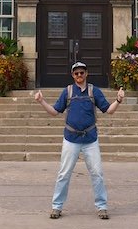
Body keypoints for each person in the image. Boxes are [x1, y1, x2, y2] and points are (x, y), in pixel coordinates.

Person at [34, 61, 125, 220]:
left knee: (97, 173)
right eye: (76, 73)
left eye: (82, 73)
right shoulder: (67, 91)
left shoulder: (94, 91)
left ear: (86, 74)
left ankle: (102, 206)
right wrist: (41, 101)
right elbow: (55, 112)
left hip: (90, 139)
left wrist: (118, 101)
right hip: (71, 139)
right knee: (64, 174)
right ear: (72, 75)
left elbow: (108, 111)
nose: (79, 76)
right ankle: (57, 206)